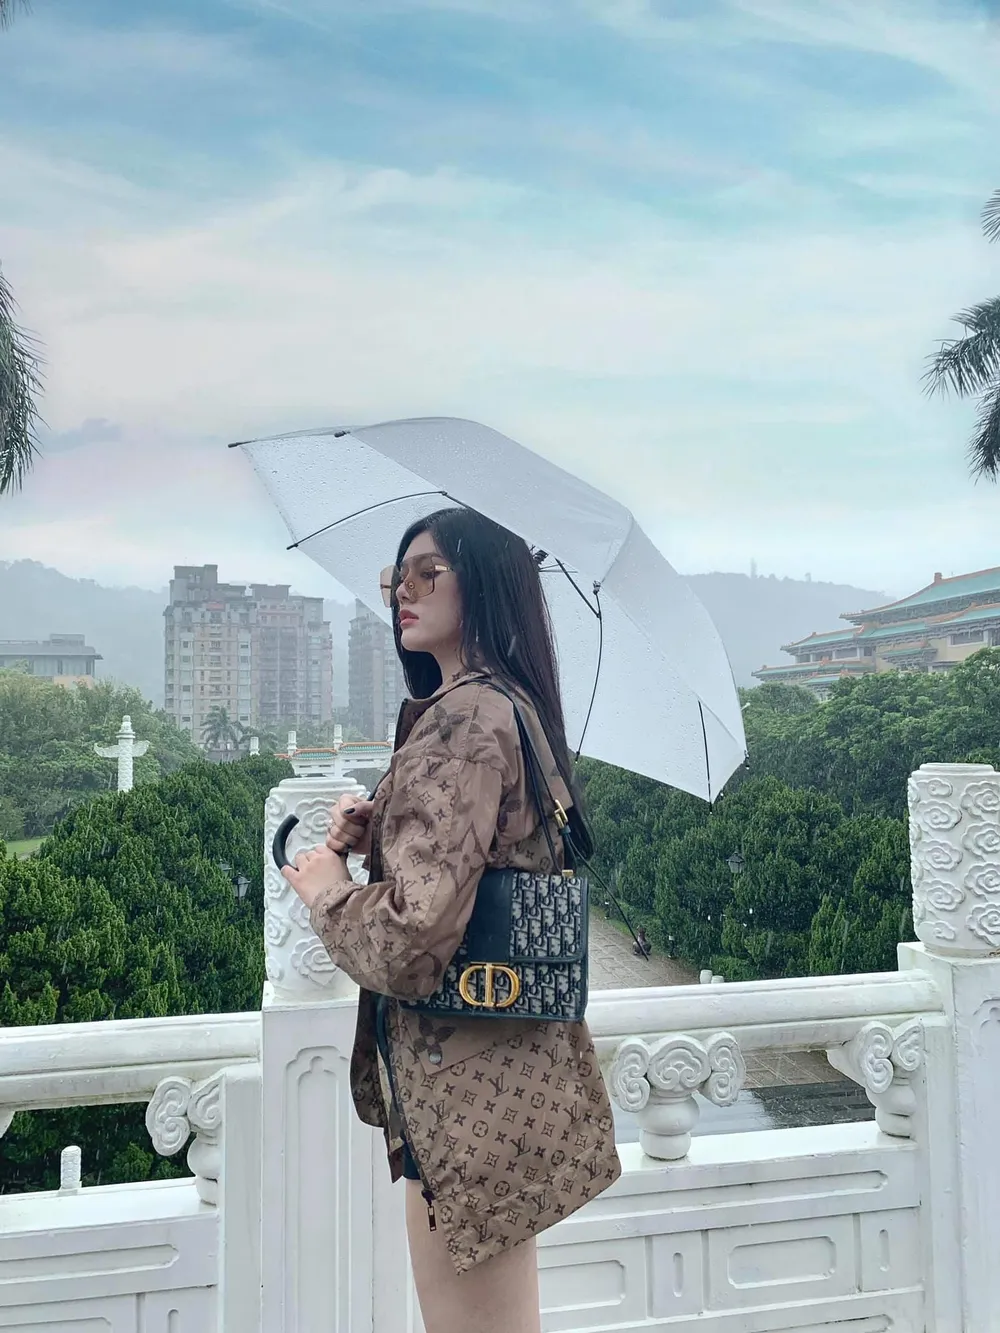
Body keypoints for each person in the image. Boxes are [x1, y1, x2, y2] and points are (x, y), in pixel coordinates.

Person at [279, 508, 621, 1333]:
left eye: (428, 572)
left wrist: (327, 890)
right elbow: (484, 863)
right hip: (511, 1078)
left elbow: (411, 937)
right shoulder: (511, 705)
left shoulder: (463, 719)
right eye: (395, 578)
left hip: (460, 1094)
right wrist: (382, 835)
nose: (405, 591)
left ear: (487, 583)